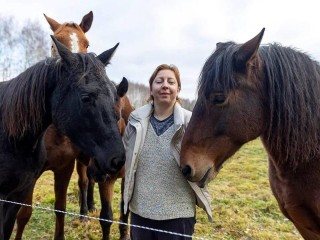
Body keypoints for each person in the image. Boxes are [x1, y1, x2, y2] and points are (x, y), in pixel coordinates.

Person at [123, 64, 212, 240]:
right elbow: (127, 159)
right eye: (159, 81)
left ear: (178, 89)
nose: (165, 85)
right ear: (151, 88)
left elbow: (206, 167)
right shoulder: (134, 121)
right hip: (140, 212)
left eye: (171, 82)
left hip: (178, 215)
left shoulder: (191, 123)